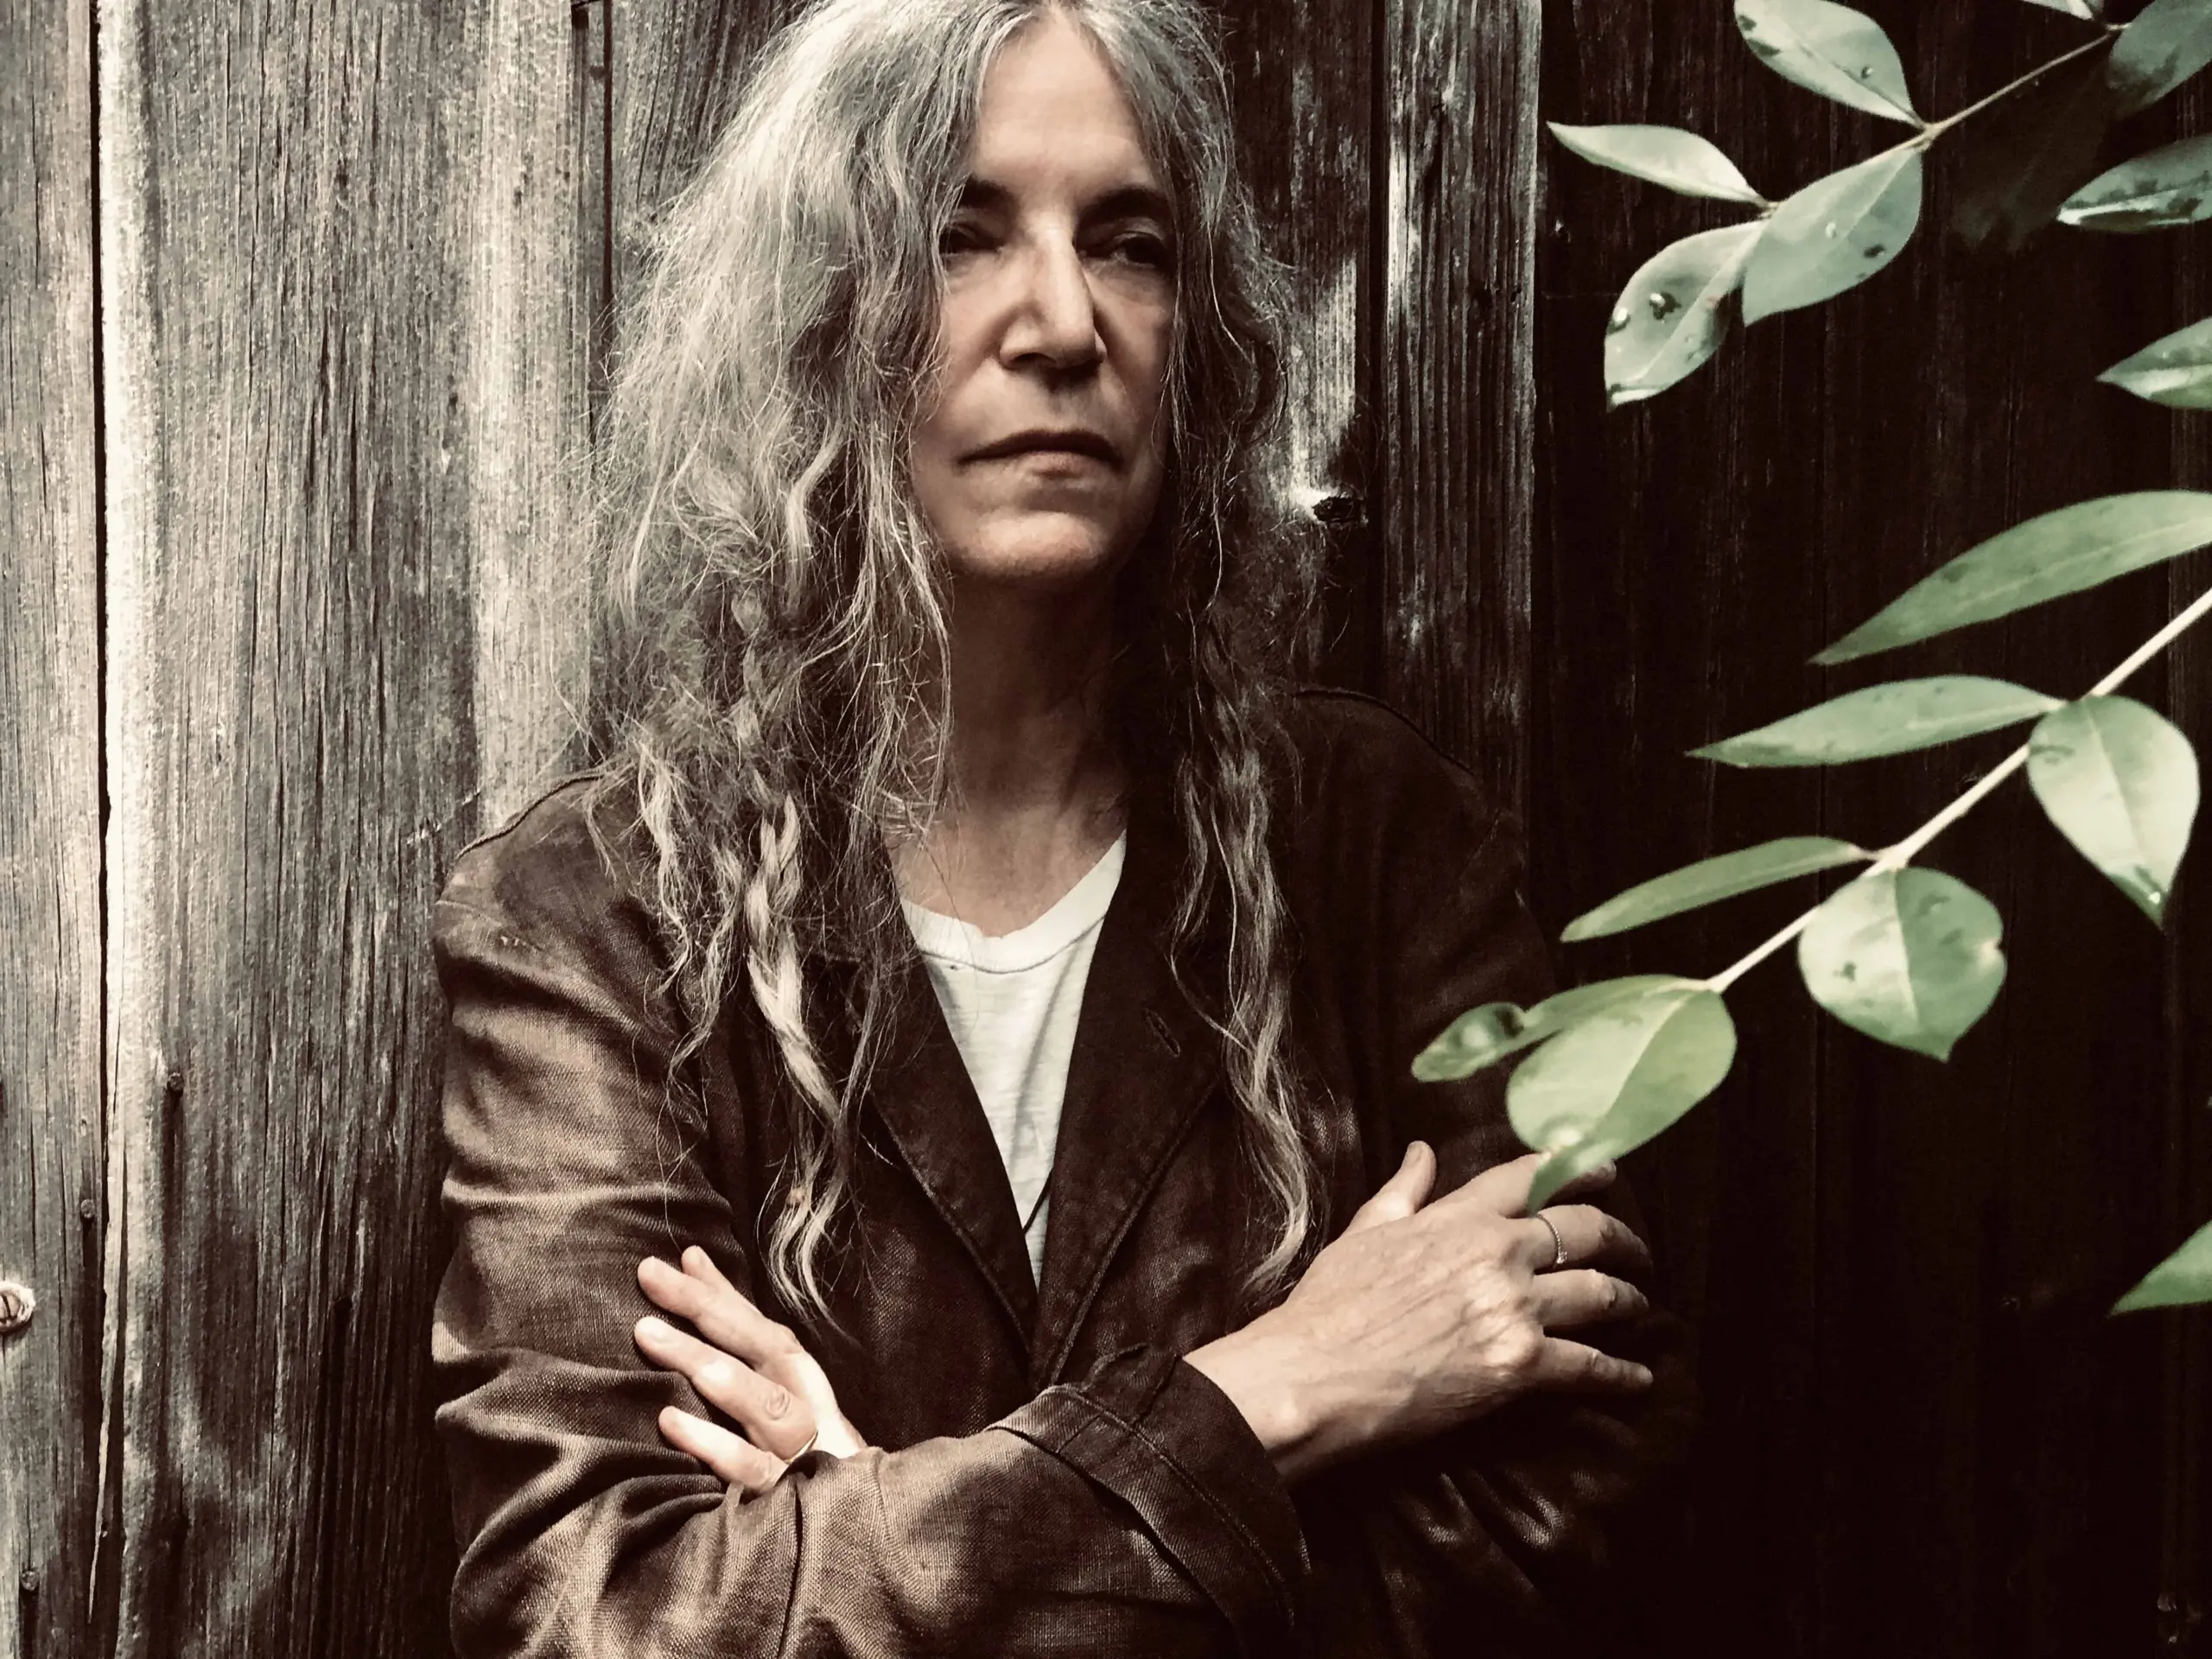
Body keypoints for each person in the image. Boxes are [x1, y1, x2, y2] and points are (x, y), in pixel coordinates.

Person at [429, 0, 1693, 1652]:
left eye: (1130, 243)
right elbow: (594, 1614)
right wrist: (1274, 1395)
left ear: (1199, 331)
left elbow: (1572, 1506)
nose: (1062, 321)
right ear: (822, 319)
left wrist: (882, 1517)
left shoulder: (1373, 844)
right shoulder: (597, 916)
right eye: (960, 235)